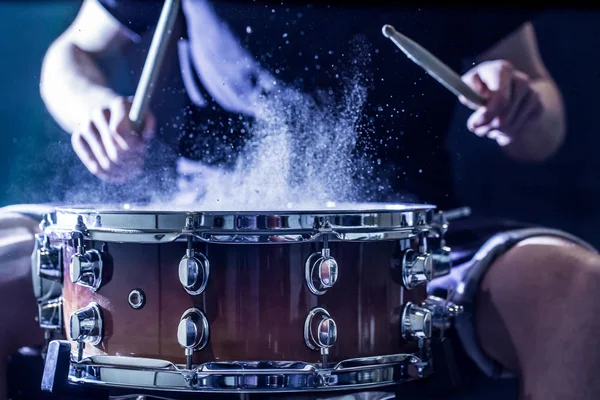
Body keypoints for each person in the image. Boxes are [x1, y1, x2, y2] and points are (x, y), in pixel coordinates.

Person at [1, 0, 598, 399]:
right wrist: (91, 112)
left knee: (576, 287)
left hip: (417, 241)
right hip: (192, 225)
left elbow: (542, 122)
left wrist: (521, 105)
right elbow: (75, 53)